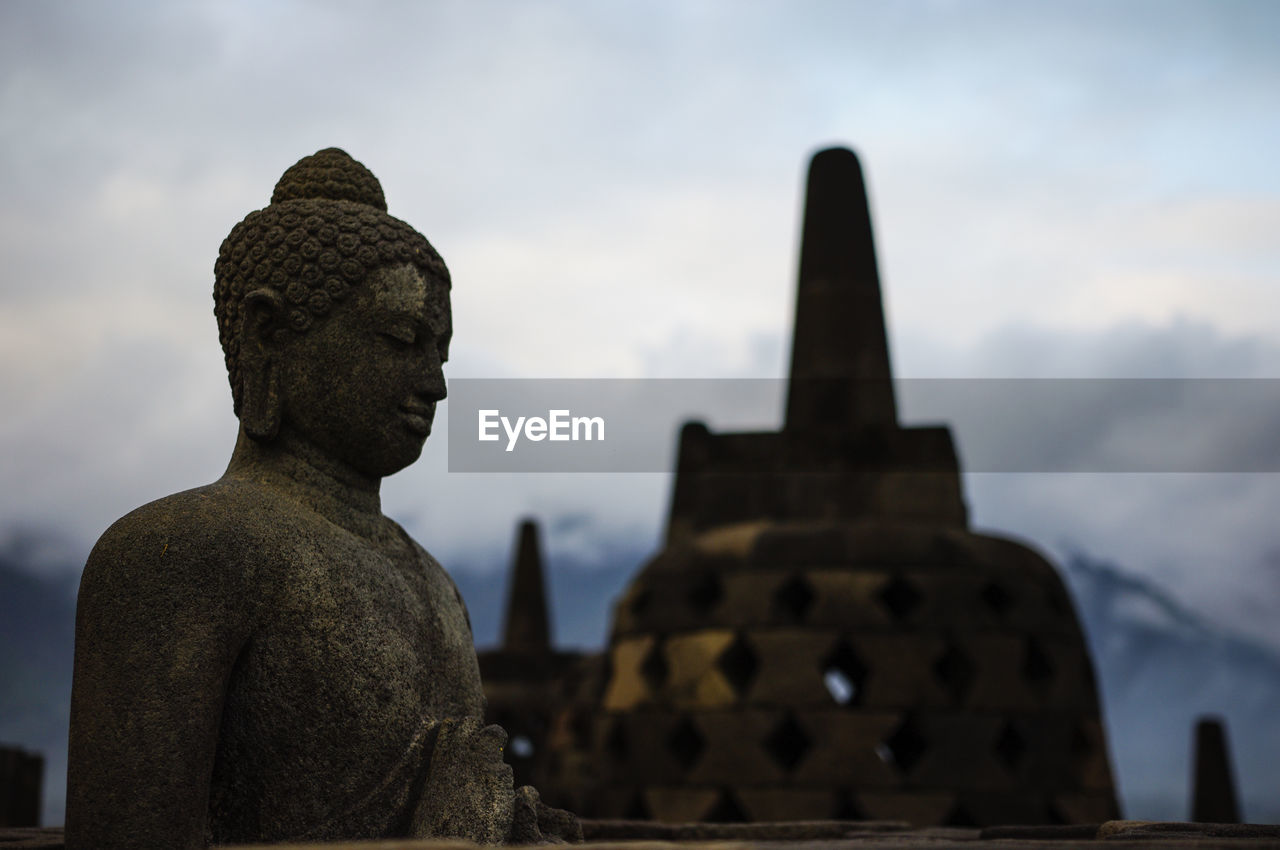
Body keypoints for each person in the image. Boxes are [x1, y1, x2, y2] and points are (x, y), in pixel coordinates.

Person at [65, 148, 578, 848]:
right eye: (401, 340)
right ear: (269, 333)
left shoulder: (436, 585)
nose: (434, 384)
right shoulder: (177, 558)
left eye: (441, 352)